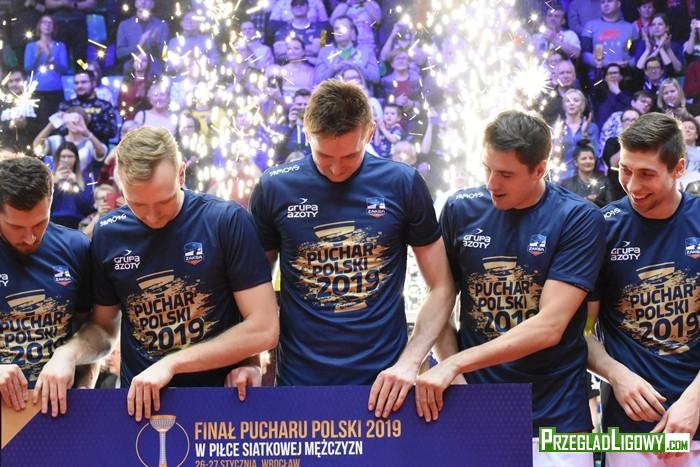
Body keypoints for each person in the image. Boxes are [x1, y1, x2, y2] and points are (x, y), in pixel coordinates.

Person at [37, 126, 279, 421]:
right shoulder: (108, 233)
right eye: (137, 204)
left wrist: (172, 363)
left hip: (219, 400)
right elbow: (103, 329)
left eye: (164, 202)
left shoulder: (225, 221)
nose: (152, 216)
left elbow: (264, 328)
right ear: (120, 183)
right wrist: (67, 353)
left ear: (181, 174)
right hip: (140, 405)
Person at [249, 80, 455, 419]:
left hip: (386, 384)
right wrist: (248, 357)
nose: (335, 168)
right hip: (300, 383)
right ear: (307, 132)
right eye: (323, 156)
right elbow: (250, 287)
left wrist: (410, 361)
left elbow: (443, 285)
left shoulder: (402, 183)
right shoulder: (276, 186)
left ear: (370, 133)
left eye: (349, 156)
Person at [416, 110, 605, 465]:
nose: (491, 183)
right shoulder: (459, 208)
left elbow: (549, 327)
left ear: (540, 169)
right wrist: (455, 374)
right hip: (477, 410)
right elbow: (441, 298)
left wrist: (454, 364)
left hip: (557, 418)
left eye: (505, 174)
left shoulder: (578, 218)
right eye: (486, 168)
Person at [587, 112, 700, 465]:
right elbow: (577, 332)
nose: (633, 185)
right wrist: (615, 374)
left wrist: (695, 400)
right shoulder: (601, 228)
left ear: (678, 168)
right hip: (629, 431)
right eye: (625, 170)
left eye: (646, 174)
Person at [0, 156, 92, 417]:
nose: (30, 237)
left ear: (51, 202)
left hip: (58, 410)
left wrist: (70, 356)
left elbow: (97, 328)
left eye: (40, 223)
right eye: (16, 227)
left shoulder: (76, 248)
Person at [23, 15, 69, 126]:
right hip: (37, 90)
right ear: (39, 26)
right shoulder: (31, 46)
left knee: (57, 123)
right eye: (44, 22)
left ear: (54, 27)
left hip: (56, 90)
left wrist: (50, 57)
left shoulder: (60, 46)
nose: (47, 25)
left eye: (50, 23)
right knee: (40, 123)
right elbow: (28, 69)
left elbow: (64, 69)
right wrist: (37, 57)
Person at [58, 70, 118, 144]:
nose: (79, 86)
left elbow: (112, 131)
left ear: (93, 83)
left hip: (99, 148)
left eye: (84, 82)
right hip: (71, 148)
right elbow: (59, 130)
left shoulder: (105, 106)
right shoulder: (66, 105)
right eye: (76, 83)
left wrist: (89, 122)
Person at [49, 141, 95, 229]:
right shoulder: (49, 177)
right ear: (58, 158)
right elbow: (47, 204)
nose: (66, 160)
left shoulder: (85, 178)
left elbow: (87, 207)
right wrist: (55, 183)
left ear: (76, 158)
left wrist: (75, 184)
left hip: (77, 223)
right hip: (53, 223)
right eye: (63, 156)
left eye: (70, 156)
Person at [560, 141, 610, 207]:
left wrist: (596, 201)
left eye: (591, 158)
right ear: (576, 162)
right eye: (584, 159)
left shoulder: (604, 181)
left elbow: (612, 207)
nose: (588, 161)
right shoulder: (566, 184)